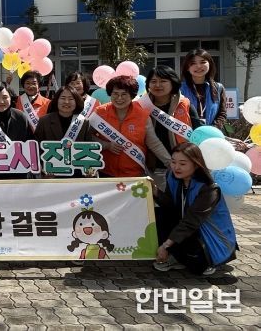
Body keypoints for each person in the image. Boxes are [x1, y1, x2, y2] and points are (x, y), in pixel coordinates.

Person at [152, 143, 238, 275]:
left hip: (210, 237)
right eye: (173, 162)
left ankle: (206, 260)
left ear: (196, 164)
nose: (176, 167)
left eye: (182, 163)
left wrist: (165, 245)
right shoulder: (172, 176)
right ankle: (177, 256)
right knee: (159, 214)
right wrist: (155, 191)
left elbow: (191, 222)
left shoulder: (209, 188)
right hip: (189, 229)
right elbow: (170, 205)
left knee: (197, 268)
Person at [90, 76, 171, 177]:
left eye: (124, 94)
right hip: (104, 174)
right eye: (115, 94)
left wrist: (171, 163)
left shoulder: (142, 115)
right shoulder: (99, 112)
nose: (119, 98)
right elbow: (87, 137)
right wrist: (106, 145)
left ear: (132, 95)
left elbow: (154, 143)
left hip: (134, 175)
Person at [144, 66, 201, 185]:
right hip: (153, 166)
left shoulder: (185, 104)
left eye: (163, 81)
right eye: (153, 81)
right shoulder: (142, 106)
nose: (158, 85)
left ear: (173, 83)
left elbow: (199, 131)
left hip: (184, 166)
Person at [34, 86, 96, 178]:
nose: (66, 102)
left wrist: (90, 170)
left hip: (77, 174)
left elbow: (90, 149)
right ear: (57, 101)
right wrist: (43, 168)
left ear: (76, 101)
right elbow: (36, 148)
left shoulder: (84, 122)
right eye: (63, 98)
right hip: (52, 173)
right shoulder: (44, 121)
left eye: (71, 99)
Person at [180, 49, 227, 128]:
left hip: (210, 133)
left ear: (210, 64)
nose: (198, 66)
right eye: (193, 63)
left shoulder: (219, 88)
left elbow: (222, 114)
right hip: (186, 133)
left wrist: (211, 130)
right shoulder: (179, 89)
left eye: (203, 62)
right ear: (187, 67)